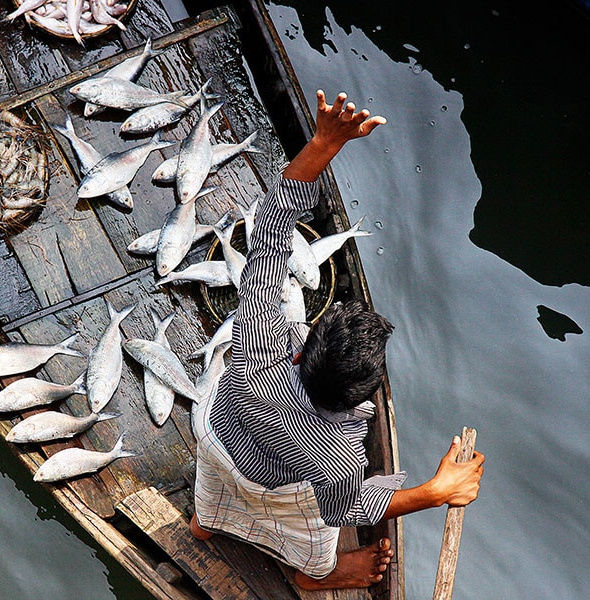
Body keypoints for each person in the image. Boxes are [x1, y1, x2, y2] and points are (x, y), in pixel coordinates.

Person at [190, 89, 485, 591]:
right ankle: (312, 575)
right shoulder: (341, 452)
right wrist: (435, 492)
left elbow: (268, 229)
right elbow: (346, 506)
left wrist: (326, 142)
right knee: (316, 535)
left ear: (302, 349)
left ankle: (207, 523)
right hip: (286, 495)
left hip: (219, 451)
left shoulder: (254, 349)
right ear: (363, 399)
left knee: (212, 498)